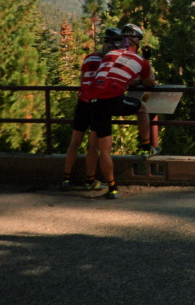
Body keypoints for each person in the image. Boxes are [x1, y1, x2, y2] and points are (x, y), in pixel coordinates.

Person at [84, 23, 156, 199]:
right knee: (142, 108)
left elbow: (114, 76)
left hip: (94, 101)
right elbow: (150, 83)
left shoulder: (110, 54)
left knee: (104, 149)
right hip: (112, 99)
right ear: (137, 42)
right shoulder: (140, 60)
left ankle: (113, 189)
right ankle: (146, 147)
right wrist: (147, 60)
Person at [61, 27, 121, 192]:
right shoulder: (111, 61)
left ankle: (66, 179)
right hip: (97, 104)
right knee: (93, 145)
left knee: (75, 142)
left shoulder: (89, 58)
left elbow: (82, 80)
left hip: (82, 102)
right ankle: (90, 180)